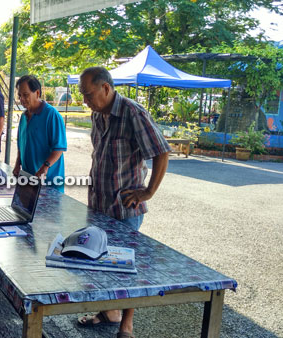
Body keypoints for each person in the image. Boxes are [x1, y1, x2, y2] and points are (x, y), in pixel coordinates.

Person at [77, 67, 171, 338]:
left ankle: (126, 325)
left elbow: (161, 152)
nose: (86, 100)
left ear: (106, 88)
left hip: (124, 207)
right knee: (99, 260)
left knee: (127, 265)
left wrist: (149, 191)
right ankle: (107, 312)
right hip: (98, 204)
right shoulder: (97, 114)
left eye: (89, 94)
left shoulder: (133, 113)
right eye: (83, 95)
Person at [12, 75, 67, 192]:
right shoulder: (24, 116)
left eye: (25, 95)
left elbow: (59, 148)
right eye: (20, 96)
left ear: (37, 93)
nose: (22, 99)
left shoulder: (51, 115)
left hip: (49, 182)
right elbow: (21, 145)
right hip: (28, 180)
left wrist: (45, 167)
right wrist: (18, 164)